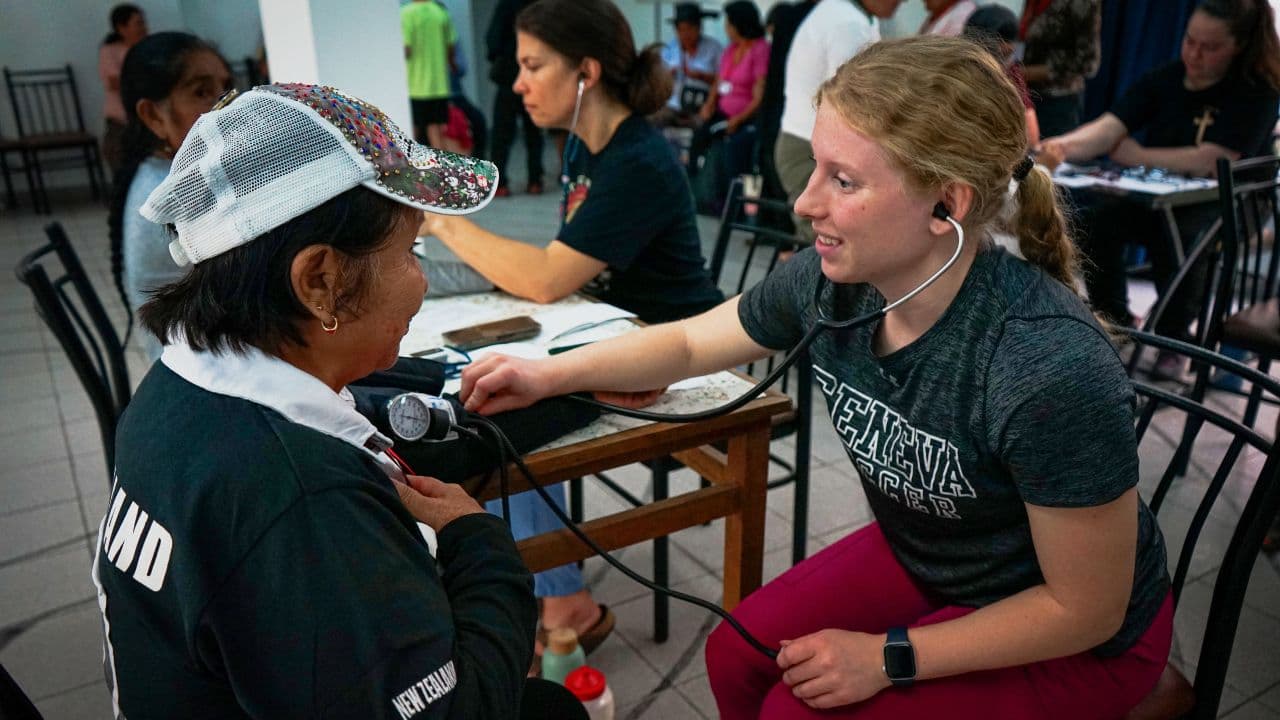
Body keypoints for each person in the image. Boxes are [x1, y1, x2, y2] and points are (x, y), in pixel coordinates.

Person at [457, 35, 1173, 720]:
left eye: (844, 180)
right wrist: (546, 375)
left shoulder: (1045, 365)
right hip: (937, 558)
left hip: (1075, 634)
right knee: (736, 653)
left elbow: (1085, 609)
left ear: (945, 206)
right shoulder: (838, 284)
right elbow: (684, 345)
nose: (804, 203)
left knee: (796, 709)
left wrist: (889, 656)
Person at [91, 81, 595, 719]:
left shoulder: (174, 393)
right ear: (319, 280)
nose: (420, 282)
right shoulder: (300, 497)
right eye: (410, 251)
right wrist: (479, 542)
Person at [421, 0, 725, 661]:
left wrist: (443, 219)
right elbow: (559, 274)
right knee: (489, 383)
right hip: (612, 332)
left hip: (679, 349)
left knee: (509, 410)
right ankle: (539, 581)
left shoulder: (635, 160)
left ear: (586, 71)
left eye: (534, 66)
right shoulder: (586, 148)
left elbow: (548, 278)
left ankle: (562, 601)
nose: (518, 83)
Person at [1041, 0, 1280, 373]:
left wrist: (1140, 155)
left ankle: (1175, 338)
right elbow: (1110, 127)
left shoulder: (1257, 91)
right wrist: (1057, 148)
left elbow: (1215, 161)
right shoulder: (1166, 77)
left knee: (1186, 233)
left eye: (1210, 47)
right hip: (1162, 199)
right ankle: (1116, 321)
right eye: (1190, 41)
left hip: (1230, 204)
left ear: (1240, 47)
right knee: (1096, 221)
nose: (1195, 54)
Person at [106, 32, 232, 362]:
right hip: (199, 370)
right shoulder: (171, 193)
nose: (226, 106)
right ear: (153, 115)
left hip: (206, 348)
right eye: (202, 92)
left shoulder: (164, 172)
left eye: (226, 88)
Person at [775, 0, 902, 244]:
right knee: (828, 245)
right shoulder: (847, 24)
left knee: (827, 244)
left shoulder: (848, 14)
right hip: (811, 149)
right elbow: (850, 102)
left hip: (808, 144)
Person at [688, 1, 770, 213]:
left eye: (729, 24)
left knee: (732, 149)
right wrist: (709, 104)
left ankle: (732, 204)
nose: (726, 28)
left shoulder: (760, 49)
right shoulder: (731, 49)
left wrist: (739, 119)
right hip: (722, 111)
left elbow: (759, 96)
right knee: (699, 135)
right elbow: (718, 81)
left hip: (745, 117)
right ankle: (695, 189)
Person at [487, 0, 545, 196]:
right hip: (536, 75)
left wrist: (501, 56)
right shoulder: (538, 6)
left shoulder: (506, 6)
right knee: (534, 131)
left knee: (502, 133)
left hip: (508, 78)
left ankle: (500, 184)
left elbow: (492, 40)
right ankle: (535, 181)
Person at [1020, 0, 1101, 137]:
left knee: (1042, 155)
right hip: (1023, 95)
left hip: (1057, 104)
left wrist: (1028, 73)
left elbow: (1088, 62)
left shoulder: (1082, 3)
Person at [964, 4, 1040, 146]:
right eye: (999, 43)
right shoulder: (958, 73)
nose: (1007, 49)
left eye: (1011, 43)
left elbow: (1031, 137)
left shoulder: (1010, 73)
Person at [655, 3, 724, 130]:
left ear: (699, 28)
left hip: (702, 105)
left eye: (690, 29)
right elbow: (658, 80)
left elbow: (724, 80)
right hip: (673, 105)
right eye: (681, 30)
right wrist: (667, 76)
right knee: (653, 120)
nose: (686, 34)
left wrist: (703, 77)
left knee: (704, 127)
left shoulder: (714, 48)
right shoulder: (670, 49)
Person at [98, 3, 148, 172]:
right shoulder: (110, 51)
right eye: (139, 23)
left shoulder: (148, 48)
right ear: (121, 27)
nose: (144, 28)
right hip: (122, 122)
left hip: (148, 120)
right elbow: (114, 82)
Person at [403, 0, 457, 148]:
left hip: (415, 86)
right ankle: (441, 170)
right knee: (437, 132)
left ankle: (407, 169)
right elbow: (451, 47)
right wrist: (452, 65)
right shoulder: (440, 13)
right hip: (439, 85)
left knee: (411, 133)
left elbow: (406, 49)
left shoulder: (406, 13)